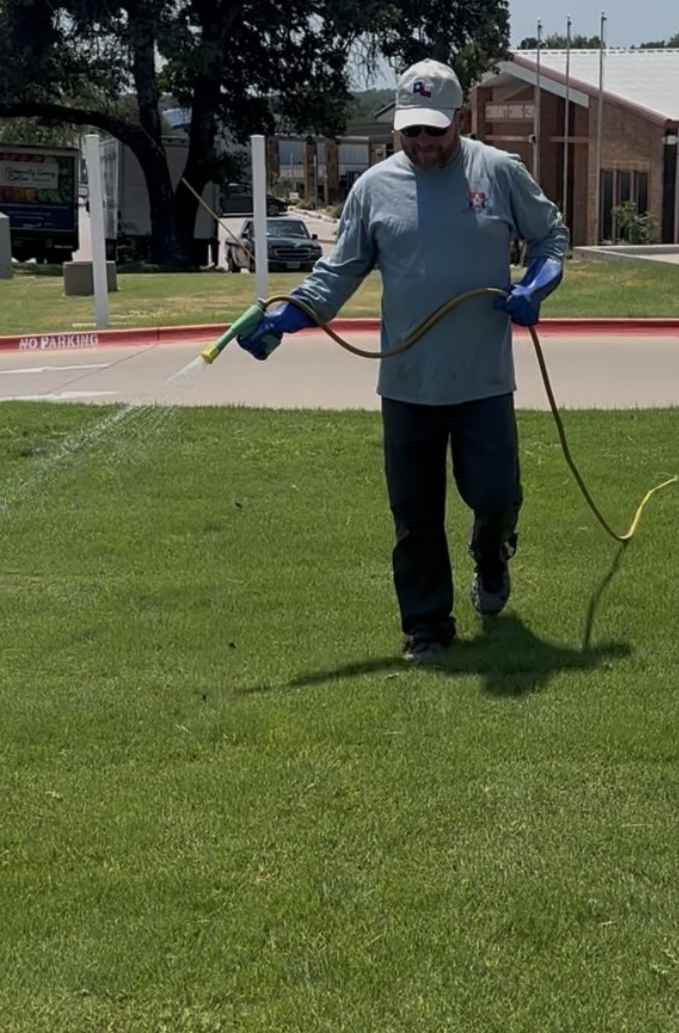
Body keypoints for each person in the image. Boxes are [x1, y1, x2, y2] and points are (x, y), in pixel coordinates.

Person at [237, 58, 569, 662]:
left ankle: (491, 554)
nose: (423, 145)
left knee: (496, 495)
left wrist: (537, 284)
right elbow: (337, 274)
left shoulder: (498, 173)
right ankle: (426, 629)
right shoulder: (373, 189)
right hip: (408, 383)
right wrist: (289, 318)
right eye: (411, 132)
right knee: (414, 516)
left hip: (483, 378)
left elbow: (550, 236)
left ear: (460, 121)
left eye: (435, 131)